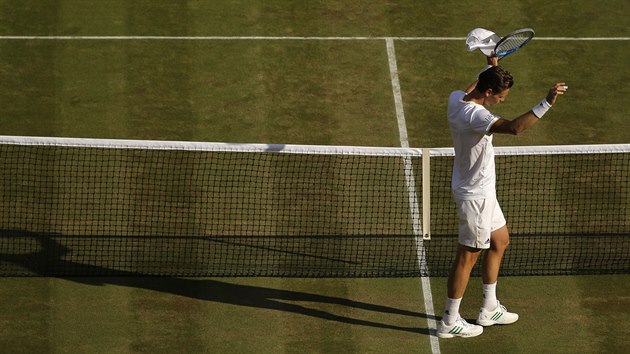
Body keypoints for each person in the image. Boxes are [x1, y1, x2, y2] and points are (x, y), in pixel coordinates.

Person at [437, 55, 568, 339]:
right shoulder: (477, 116)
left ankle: (489, 307)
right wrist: (546, 103)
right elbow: (515, 128)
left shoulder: (457, 97)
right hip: (476, 197)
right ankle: (450, 320)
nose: (502, 101)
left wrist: (492, 66)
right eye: (501, 96)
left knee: (500, 240)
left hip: (483, 191)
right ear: (488, 93)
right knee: (468, 256)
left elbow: (480, 83)